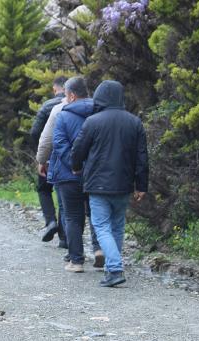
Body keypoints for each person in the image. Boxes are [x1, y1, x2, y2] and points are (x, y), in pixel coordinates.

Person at [71, 80, 149, 288]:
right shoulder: (134, 122)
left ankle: (114, 269)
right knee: (117, 226)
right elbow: (142, 157)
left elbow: (78, 150)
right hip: (124, 184)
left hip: (98, 184)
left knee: (101, 226)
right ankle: (110, 270)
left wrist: (76, 166)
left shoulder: (93, 122)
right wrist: (141, 185)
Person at [39, 77, 103, 272]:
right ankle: (99, 249)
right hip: (96, 173)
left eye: (66, 95)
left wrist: (44, 161)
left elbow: (55, 142)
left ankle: (76, 260)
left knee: (73, 216)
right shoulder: (101, 111)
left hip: (69, 175)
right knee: (96, 213)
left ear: (72, 95)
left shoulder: (62, 113)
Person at [29, 76, 68, 246]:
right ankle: (65, 238)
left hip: (48, 158)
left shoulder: (47, 106)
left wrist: (40, 157)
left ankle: (51, 221)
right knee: (65, 197)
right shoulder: (74, 104)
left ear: (54, 89)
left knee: (44, 190)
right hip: (67, 159)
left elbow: (34, 132)